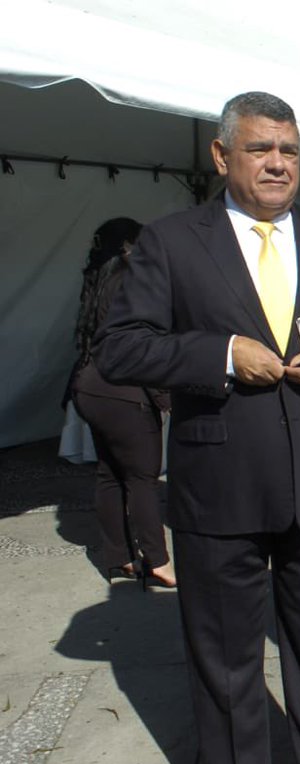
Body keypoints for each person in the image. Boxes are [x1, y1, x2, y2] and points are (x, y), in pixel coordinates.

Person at [93, 91, 300, 764]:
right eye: (261, 148)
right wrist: (223, 354)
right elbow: (119, 348)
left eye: (289, 151)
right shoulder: (173, 241)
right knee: (226, 660)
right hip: (219, 489)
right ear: (221, 155)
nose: (277, 163)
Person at [70, 217, 175, 588]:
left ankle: (120, 558)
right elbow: (141, 346)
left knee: (110, 474)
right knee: (142, 477)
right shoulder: (130, 280)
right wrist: (164, 397)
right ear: (131, 245)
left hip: (90, 387)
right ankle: (158, 561)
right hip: (124, 392)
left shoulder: (98, 278)